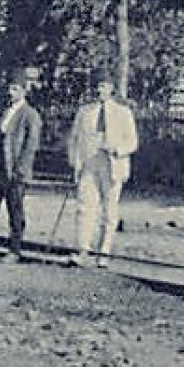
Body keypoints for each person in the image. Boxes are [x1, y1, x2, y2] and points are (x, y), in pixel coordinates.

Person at [65, 73, 139, 267]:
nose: (100, 90)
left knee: (109, 210)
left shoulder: (123, 112)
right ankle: (82, 249)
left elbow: (132, 142)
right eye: (98, 86)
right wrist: (75, 162)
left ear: (112, 88)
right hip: (89, 164)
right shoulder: (85, 112)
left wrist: (117, 149)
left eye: (105, 86)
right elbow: (74, 139)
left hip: (112, 164)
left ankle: (104, 252)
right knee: (84, 207)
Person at [0, 75, 42, 262]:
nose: (11, 93)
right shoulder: (5, 112)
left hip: (14, 171)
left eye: (15, 89)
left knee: (15, 211)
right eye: (10, 89)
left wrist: (20, 170)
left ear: (24, 91)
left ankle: (15, 250)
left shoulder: (30, 115)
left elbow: (30, 147)